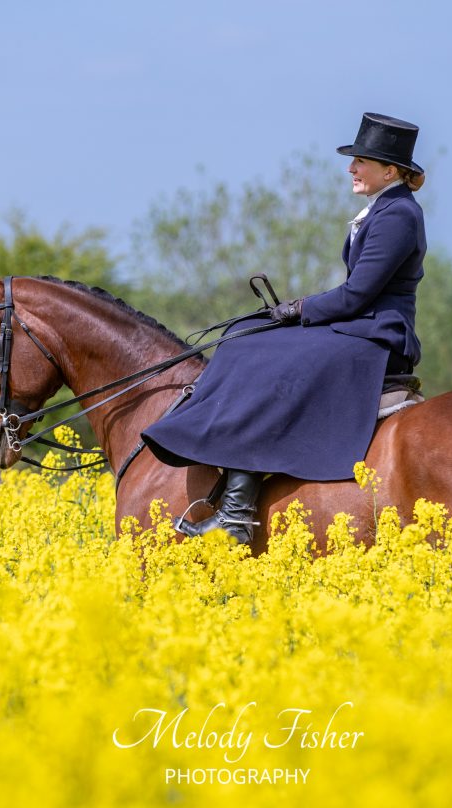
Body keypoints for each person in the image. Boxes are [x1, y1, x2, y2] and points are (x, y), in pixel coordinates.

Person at [141, 112, 427, 543]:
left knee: (258, 356)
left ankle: (235, 515)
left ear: (389, 170)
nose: (350, 168)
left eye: (360, 161)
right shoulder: (384, 208)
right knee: (243, 338)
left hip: (376, 336)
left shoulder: (398, 215)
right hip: (358, 327)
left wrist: (299, 308)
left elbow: (357, 295)